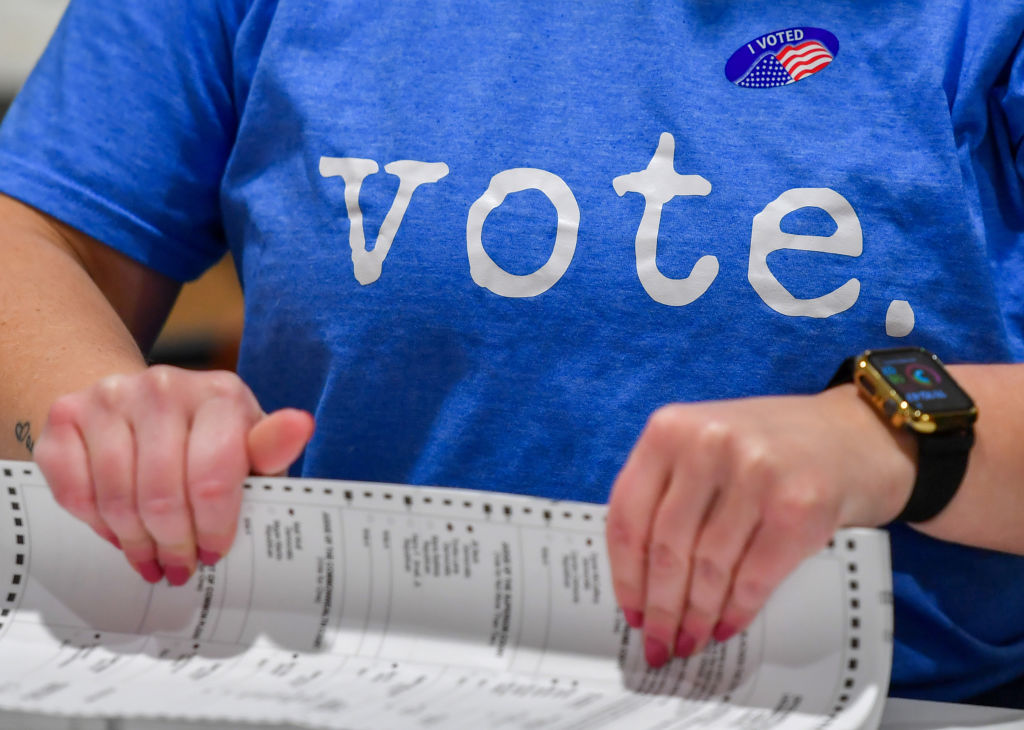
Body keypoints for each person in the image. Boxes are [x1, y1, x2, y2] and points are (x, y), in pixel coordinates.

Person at [1, 0, 1023, 708]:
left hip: (888, 697)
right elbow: (37, 238)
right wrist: (113, 423)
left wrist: (890, 431)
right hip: (326, 682)